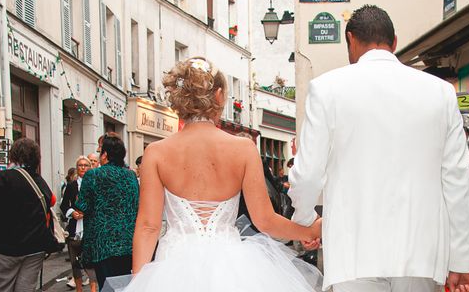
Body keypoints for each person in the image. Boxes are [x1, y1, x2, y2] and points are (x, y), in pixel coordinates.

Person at [288, 5, 469, 292]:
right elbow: (458, 182)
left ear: (350, 40)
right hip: (421, 256)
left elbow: (309, 173)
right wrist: (461, 260)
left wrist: (305, 219)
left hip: (353, 255)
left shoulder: (326, 89)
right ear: (395, 42)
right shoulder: (440, 92)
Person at [118, 57, 322, 292]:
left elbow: (147, 227)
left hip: (173, 267)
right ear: (218, 96)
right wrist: (306, 231)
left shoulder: (155, 153)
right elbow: (265, 220)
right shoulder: (243, 149)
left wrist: (138, 282)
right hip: (232, 267)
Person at [0, 137, 58, 292]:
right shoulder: (39, 181)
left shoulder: (3, 178)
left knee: (0, 288)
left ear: (13, 156)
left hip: (5, 249)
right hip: (35, 249)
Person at [75, 135, 139, 289]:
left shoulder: (93, 175)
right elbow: (136, 204)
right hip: (127, 242)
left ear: (105, 155)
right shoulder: (130, 176)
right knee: (123, 285)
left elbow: (82, 206)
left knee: (106, 285)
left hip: (101, 243)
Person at [60, 156, 97, 292]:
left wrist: (86, 213)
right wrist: (72, 212)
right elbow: (64, 205)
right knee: (75, 263)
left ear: (90, 168)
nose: (83, 168)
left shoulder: (94, 185)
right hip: (74, 229)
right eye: (80, 165)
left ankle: (93, 288)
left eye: (85, 165)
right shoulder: (71, 186)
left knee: (90, 262)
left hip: (89, 228)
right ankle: (79, 289)